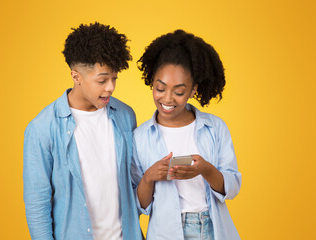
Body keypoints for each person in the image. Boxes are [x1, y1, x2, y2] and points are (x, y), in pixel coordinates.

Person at [23, 22, 142, 240]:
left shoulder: (125, 115)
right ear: (76, 76)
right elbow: (37, 204)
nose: (111, 87)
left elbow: (134, 183)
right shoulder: (42, 129)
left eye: (114, 78)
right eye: (102, 80)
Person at [131, 30, 241, 240]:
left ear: (193, 90)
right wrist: (149, 177)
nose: (167, 99)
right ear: (152, 83)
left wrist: (206, 169)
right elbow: (138, 205)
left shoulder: (215, 127)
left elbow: (233, 186)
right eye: (160, 88)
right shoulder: (140, 137)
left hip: (213, 229)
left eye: (179, 92)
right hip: (166, 232)